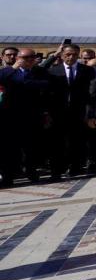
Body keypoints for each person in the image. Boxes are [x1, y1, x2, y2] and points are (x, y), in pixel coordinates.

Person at [0, 49, 51, 184]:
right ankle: (8, 175)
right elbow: (2, 80)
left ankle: (31, 172)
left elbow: (45, 84)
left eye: (31, 57)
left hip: (32, 115)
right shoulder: (7, 71)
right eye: (25, 57)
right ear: (17, 58)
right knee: (10, 148)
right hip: (10, 116)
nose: (28, 60)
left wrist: (23, 82)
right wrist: (14, 69)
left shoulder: (39, 71)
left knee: (31, 147)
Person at [46, 43, 94, 179]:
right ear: (62, 55)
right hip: (58, 112)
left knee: (77, 142)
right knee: (57, 143)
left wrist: (89, 113)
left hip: (78, 112)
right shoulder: (53, 71)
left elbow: (90, 93)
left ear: (78, 55)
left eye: (74, 54)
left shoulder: (87, 70)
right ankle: (56, 170)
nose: (71, 57)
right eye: (67, 54)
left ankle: (75, 167)